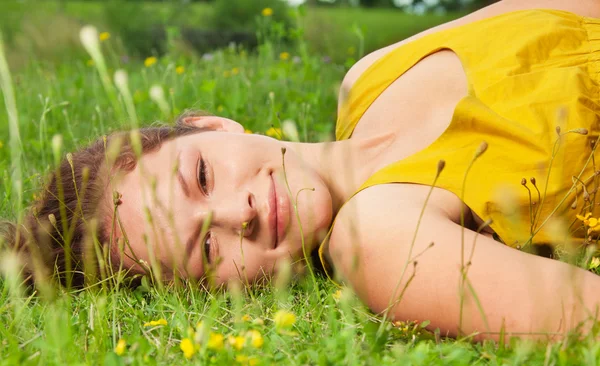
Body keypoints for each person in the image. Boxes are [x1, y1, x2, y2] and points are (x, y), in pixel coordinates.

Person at [2, 0, 600, 342]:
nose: (241, 213)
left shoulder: (370, 74)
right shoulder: (378, 238)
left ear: (213, 125)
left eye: (203, 177)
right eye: (206, 247)